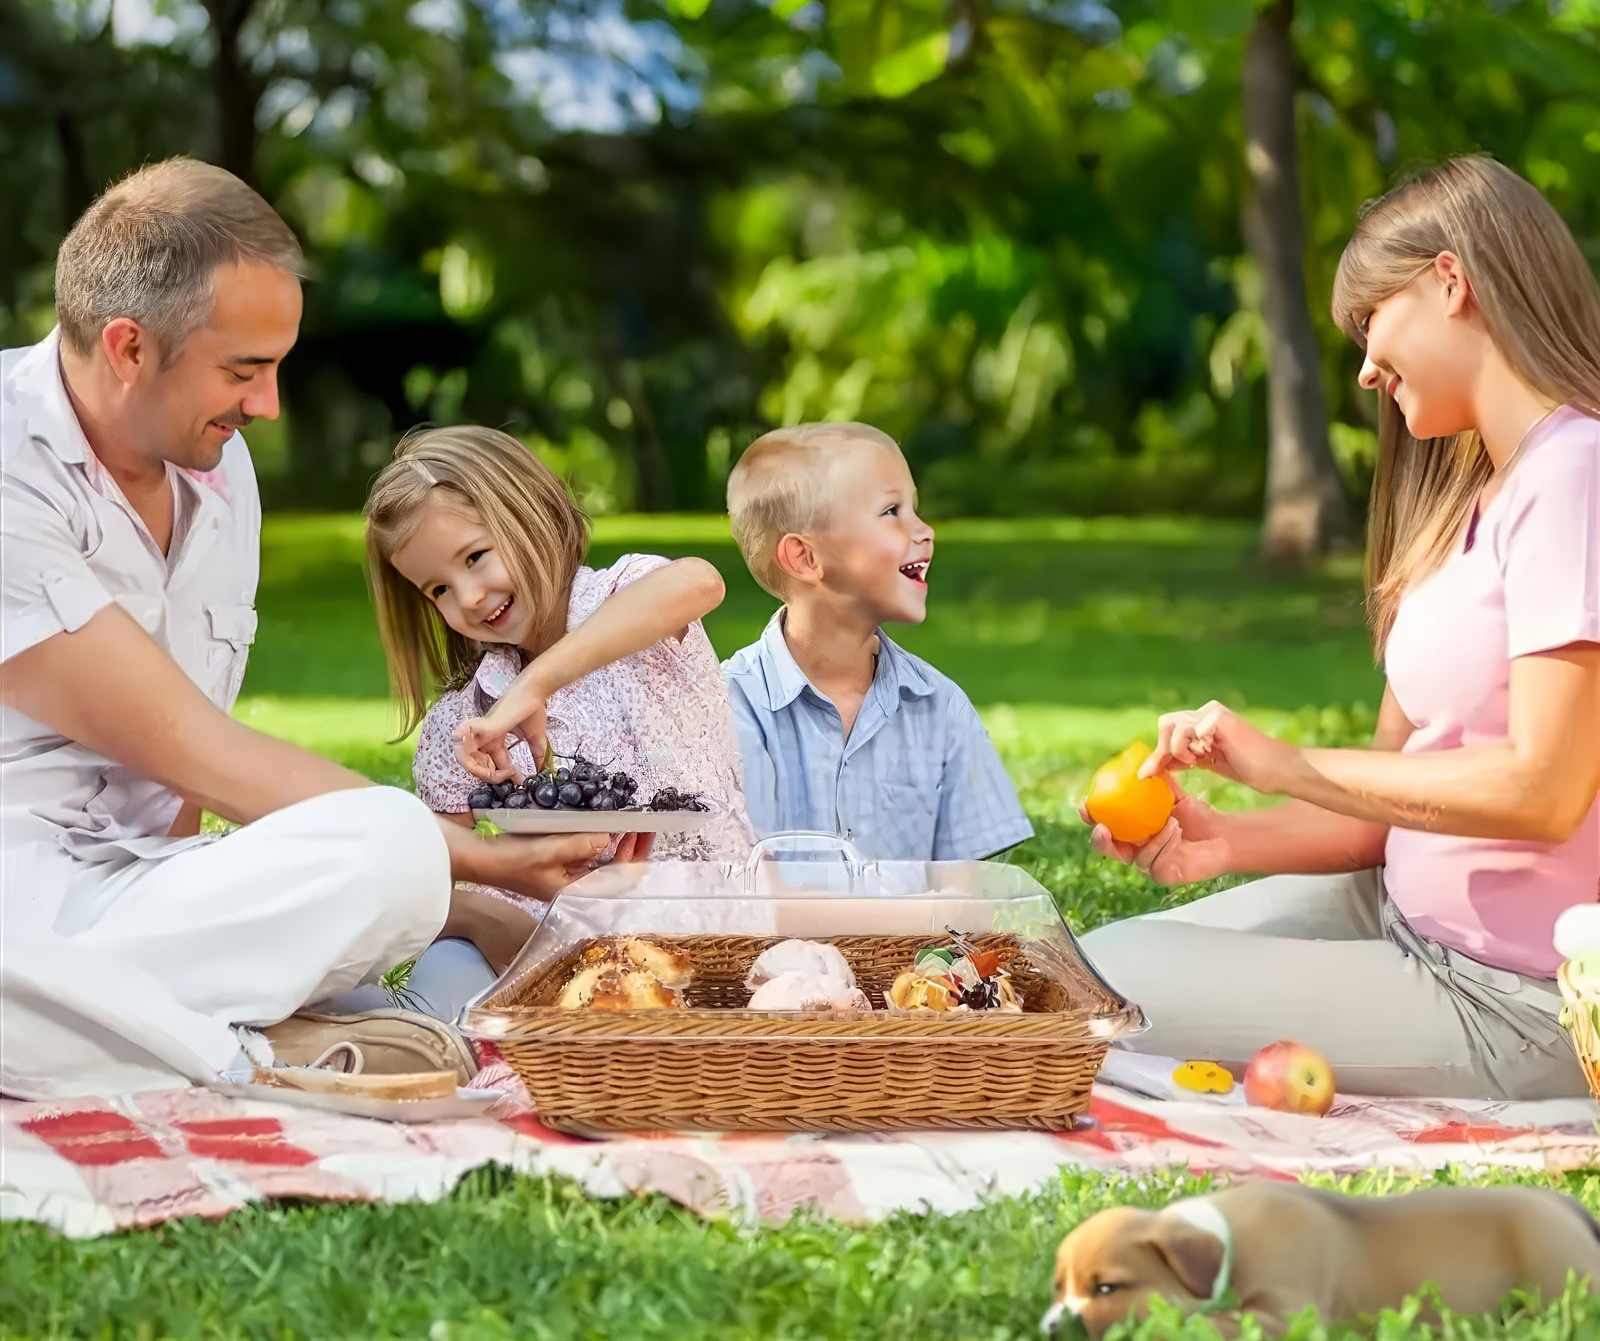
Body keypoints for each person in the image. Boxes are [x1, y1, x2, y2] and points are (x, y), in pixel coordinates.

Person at [0, 159, 621, 1099]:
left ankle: (197, 1019)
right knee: (404, 844)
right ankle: (251, 1050)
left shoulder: (218, 472)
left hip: (136, 894)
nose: (267, 406)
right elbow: (196, 748)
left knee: (378, 853)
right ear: (129, 348)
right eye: (244, 370)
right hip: (17, 897)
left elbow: (178, 789)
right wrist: (487, 862)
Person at [1081, 156, 1600, 1100]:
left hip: (1512, 998)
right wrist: (1227, 838)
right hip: (1395, 911)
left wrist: (1282, 760)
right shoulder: (1478, 499)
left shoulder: (1578, 474)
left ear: (1451, 281)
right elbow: (1388, 808)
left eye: (1371, 323)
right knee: (1078, 965)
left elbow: (1546, 790)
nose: (1365, 368)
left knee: (1078, 1001)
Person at [356, 425, 755, 1014]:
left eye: (475, 557)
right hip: (537, 952)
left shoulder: (630, 604)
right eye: (439, 587)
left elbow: (700, 581)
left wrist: (535, 684)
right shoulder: (464, 721)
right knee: (441, 1001)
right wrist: (508, 918)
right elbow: (437, 878)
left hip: (711, 926)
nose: (467, 597)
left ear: (530, 514)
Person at [722, 422, 1032, 862]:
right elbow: (753, 898)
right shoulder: (730, 707)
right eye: (892, 512)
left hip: (918, 936)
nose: (925, 531)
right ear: (804, 557)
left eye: (914, 509)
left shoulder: (940, 706)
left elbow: (967, 900)